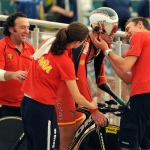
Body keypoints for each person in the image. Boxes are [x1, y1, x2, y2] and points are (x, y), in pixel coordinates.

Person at [20, 21, 99, 150]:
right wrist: (92, 105)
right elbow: (78, 98)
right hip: (42, 107)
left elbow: (45, 68)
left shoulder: (48, 42)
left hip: (26, 102)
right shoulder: (66, 62)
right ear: (78, 42)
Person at [55, 7, 120, 150]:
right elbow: (81, 79)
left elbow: (101, 80)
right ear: (98, 28)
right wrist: (94, 111)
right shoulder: (84, 44)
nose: (113, 33)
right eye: (111, 28)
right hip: (62, 90)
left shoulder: (99, 45)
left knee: (77, 138)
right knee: (66, 141)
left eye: (116, 27)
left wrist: (120, 101)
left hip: (72, 88)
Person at [94, 16, 150, 150]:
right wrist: (108, 54)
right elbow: (128, 78)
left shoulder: (141, 35)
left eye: (128, 28)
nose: (126, 34)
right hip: (146, 100)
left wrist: (107, 50)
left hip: (142, 97)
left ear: (140, 24)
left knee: (127, 143)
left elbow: (125, 66)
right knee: (145, 144)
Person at [0, 12, 35, 118]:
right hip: (5, 106)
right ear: (11, 29)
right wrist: (12, 75)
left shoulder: (31, 48)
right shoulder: (1, 47)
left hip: (27, 104)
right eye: (22, 28)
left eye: (28, 28)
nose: (27, 31)